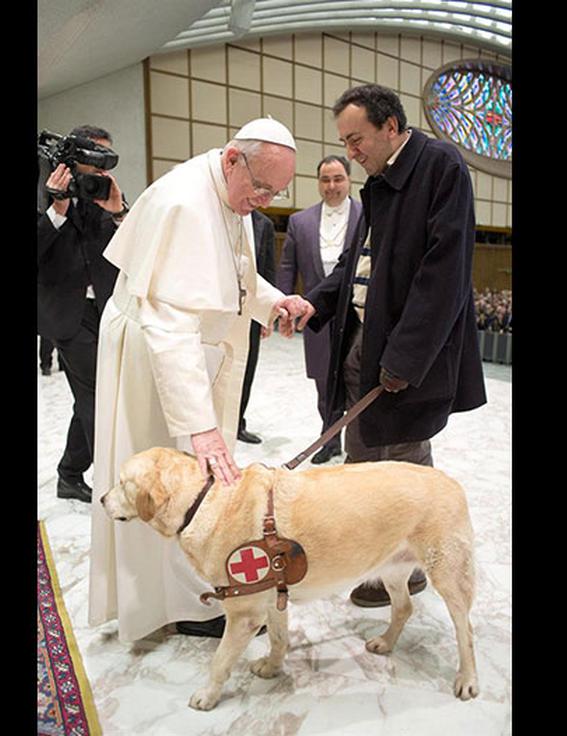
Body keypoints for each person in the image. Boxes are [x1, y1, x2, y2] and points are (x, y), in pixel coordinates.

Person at [88, 118, 314, 642]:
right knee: (163, 482)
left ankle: (187, 590)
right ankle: (164, 602)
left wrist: (274, 303)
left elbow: (235, 274)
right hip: (154, 359)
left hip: (185, 358)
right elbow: (169, 326)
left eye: (276, 193)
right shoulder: (185, 204)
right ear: (233, 159)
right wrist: (199, 426)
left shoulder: (229, 194)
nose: (264, 200)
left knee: (190, 479)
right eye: (261, 187)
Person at [302, 84, 487, 607]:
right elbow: (357, 262)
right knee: (362, 457)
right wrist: (316, 303)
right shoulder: (379, 180)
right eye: (344, 141)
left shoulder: (441, 167)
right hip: (366, 336)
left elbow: (444, 273)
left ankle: (412, 568)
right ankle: (372, 562)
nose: (351, 151)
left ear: (390, 126)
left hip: (409, 347)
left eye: (356, 139)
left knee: (405, 460)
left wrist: (406, 357)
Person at [37, 124, 127, 503]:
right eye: (94, 158)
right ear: (75, 158)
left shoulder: (108, 192)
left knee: (90, 396)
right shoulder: (44, 189)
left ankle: (70, 474)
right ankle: (112, 483)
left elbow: (136, 245)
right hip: (66, 314)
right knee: (99, 398)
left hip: (107, 310)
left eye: (106, 159)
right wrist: (56, 211)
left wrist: (120, 213)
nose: (101, 168)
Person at [277, 154, 363, 463]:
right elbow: (287, 267)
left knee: (356, 377)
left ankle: (359, 442)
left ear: (349, 180)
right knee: (324, 384)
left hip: (357, 314)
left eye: (338, 178)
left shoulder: (366, 215)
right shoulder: (300, 221)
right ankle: (329, 441)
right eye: (325, 179)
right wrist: (282, 305)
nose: (331, 185)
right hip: (315, 315)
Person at [237, 210, 277, 444]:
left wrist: (268, 315)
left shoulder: (264, 224)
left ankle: (237, 423)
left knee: (247, 367)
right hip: (217, 309)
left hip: (252, 309)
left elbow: (268, 270)